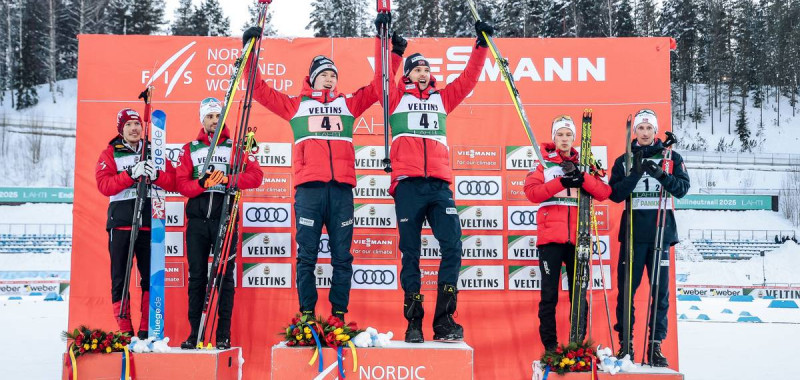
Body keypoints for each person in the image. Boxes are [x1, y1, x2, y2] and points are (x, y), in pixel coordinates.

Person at [241, 16, 398, 323]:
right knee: (307, 257)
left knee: (342, 257)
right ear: (312, 78)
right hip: (310, 191)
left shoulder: (348, 104)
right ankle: (307, 316)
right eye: (323, 74)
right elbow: (258, 89)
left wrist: (386, 47)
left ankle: (339, 315)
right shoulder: (295, 105)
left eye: (332, 74)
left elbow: (380, 86)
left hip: (341, 191)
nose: (329, 79)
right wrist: (251, 48)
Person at [375, 20, 493, 343]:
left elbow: (468, 79)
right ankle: (414, 323)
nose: (423, 72)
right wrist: (393, 51)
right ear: (408, 75)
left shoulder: (442, 98)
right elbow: (381, 81)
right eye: (417, 68)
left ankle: (443, 320)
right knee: (410, 253)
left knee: (453, 244)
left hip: (439, 186)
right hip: (408, 185)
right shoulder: (396, 100)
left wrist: (481, 45)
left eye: (426, 68)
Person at [175, 97, 264, 349]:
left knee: (225, 276)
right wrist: (201, 184)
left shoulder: (235, 146)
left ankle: (223, 333)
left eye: (218, 116)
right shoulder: (189, 148)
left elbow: (256, 176)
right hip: (197, 222)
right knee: (197, 278)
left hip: (226, 218)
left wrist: (228, 179)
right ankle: (195, 333)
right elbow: (181, 184)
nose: (214, 121)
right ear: (202, 119)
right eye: (210, 116)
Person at [608, 109, 690, 367]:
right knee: (626, 293)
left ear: (656, 131)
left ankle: (655, 346)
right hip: (633, 234)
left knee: (660, 293)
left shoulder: (670, 157)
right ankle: (626, 346)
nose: (644, 133)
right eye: (640, 129)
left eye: (649, 128)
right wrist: (635, 173)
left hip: (660, 233)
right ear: (635, 132)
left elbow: (682, 189)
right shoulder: (624, 159)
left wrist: (660, 174)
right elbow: (615, 194)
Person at [523, 115, 612, 351]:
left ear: (574, 138)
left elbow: (604, 192)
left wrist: (583, 178)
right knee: (549, 295)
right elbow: (532, 193)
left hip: (579, 237)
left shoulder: (586, 162)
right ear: (554, 137)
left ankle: (577, 345)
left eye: (568, 135)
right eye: (560, 134)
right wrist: (561, 182)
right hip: (551, 238)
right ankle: (550, 346)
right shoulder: (543, 163)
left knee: (578, 295)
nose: (564, 139)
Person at [95, 108, 175, 339]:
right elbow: (104, 185)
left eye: (137, 124)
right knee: (120, 277)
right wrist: (131, 174)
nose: (134, 128)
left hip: (150, 224)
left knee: (151, 276)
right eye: (128, 124)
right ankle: (125, 330)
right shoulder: (110, 153)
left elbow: (173, 182)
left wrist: (157, 176)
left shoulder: (154, 151)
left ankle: (146, 328)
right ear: (121, 129)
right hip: (121, 223)